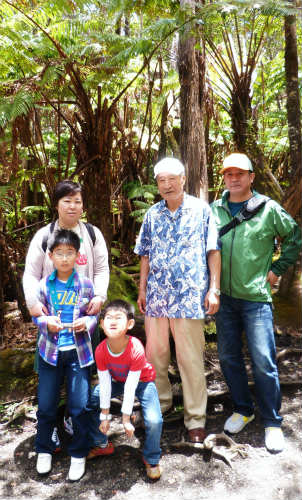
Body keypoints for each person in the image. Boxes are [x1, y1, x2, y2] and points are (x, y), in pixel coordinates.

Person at [211, 152, 301, 453]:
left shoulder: (268, 209)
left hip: (256, 300)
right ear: (223, 178)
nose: (234, 179)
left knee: (263, 360)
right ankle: (243, 408)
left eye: (240, 174)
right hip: (224, 298)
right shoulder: (214, 210)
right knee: (228, 357)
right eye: (228, 174)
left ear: (251, 177)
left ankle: (273, 421)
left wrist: (275, 271)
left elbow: (295, 237)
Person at [134, 157, 221, 443]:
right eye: (162, 180)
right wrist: (142, 289)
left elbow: (212, 251)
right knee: (155, 356)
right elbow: (144, 254)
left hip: (188, 297)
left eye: (173, 179)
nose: (167, 185)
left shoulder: (201, 210)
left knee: (190, 359)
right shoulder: (152, 215)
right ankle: (160, 405)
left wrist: (214, 289)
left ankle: (196, 418)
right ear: (157, 184)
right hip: (157, 298)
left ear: (183, 179)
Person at [23, 179, 109, 453]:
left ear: (83, 205)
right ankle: (50, 431)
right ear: (57, 204)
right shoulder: (44, 236)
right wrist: (33, 305)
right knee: (50, 378)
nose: (73, 206)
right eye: (67, 201)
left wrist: (99, 297)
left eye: (78, 201)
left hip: (85, 320)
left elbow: (102, 270)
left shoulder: (92, 234)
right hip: (51, 321)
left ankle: (76, 423)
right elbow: (30, 273)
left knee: (81, 377)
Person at [33, 229, 100, 481]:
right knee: (47, 403)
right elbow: (36, 315)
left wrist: (88, 323)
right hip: (49, 353)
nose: (64, 258)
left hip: (78, 352)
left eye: (69, 253)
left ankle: (78, 453)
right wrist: (45, 323)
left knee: (79, 405)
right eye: (59, 253)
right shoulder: (44, 285)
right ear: (50, 256)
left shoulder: (85, 284)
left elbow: (93, 314)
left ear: (77, 255)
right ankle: (44, 449)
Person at [92, 300, 163, 480]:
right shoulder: (100, 350)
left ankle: (151, 457)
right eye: (108, 318)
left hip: (142, 382)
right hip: (117, 381)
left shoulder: (135, 347)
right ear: (101, 324)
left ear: (130, 324)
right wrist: (105, 416)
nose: (113, 322)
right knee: (92, 397)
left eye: (118, 317)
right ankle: (101, 443)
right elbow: (105, 384)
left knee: (154, 420)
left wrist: (125, 419)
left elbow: (131, 385)